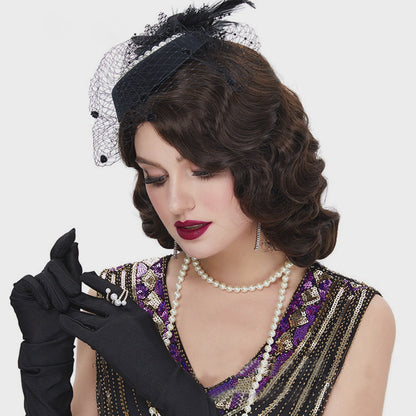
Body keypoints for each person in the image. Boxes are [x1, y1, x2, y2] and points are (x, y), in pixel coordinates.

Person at [10, 1, 395, 415]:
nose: (176, 202)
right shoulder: (118, 300)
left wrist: (161, 379)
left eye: (204, 171)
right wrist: (45, 362)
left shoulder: (350, 318)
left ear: (262, 163)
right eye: (156, 177)